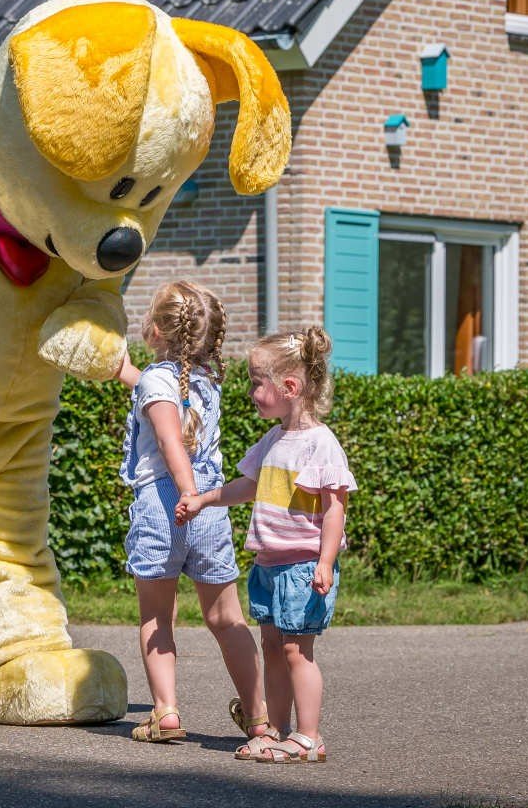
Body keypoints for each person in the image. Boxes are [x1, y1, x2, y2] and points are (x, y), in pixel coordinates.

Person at [177, 327, 356, 763]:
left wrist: (325, 561)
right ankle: (277, 730)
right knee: (274, 649)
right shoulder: (274, 440)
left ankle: (309, 738)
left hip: (302, 567)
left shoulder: (321, 444)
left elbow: (335, 509)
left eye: (257, 383)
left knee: (297, 651)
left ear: (289, 387)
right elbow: (249, 485)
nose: (252, 392)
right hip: (269, 564)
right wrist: (204, 499)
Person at [116, 281, 268, 750]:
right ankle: (259, 716)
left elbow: (169, 440)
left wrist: (186, 492)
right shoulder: (204, 382)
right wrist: (125, 372)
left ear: (157, 329)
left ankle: (166, 712)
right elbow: (160, 394)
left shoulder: (158, 382)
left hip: (166, 506)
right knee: (226, 618)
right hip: (210, 508)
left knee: (157, 616)